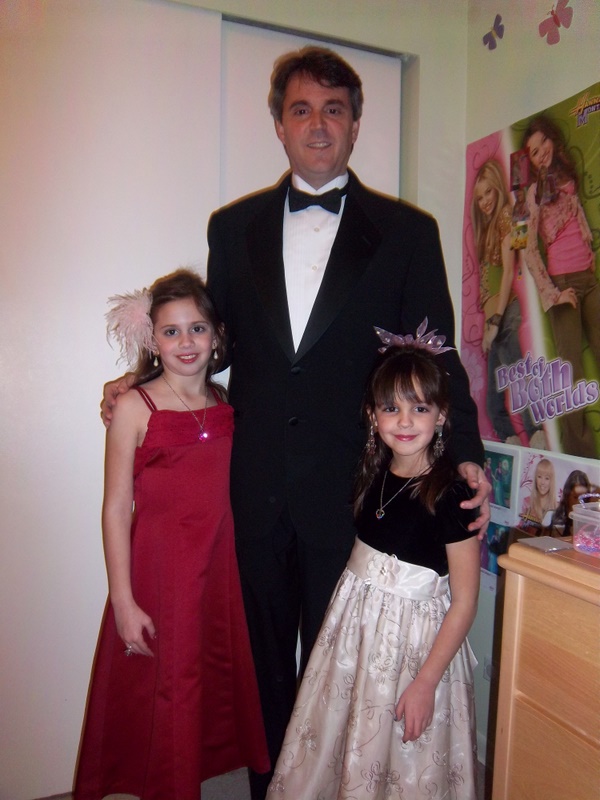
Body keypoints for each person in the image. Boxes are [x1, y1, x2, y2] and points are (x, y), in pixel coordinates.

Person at [103, 47, 490, 798]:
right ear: (279, 124)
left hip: (355, 490)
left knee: (341, 666)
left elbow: (438, 354)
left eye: (334, 110)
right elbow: (213, 344)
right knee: (261, 664)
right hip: (249, 488)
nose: (318, 125)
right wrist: (142, 380)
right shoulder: (232, 227)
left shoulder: (408, 232)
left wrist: (466, 451)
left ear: (355, 125)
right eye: (302, 109)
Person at [75, 270, 269, 800]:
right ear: (152, 340)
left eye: (197, 328)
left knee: (207, 679)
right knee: (169, 684)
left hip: (219, 570)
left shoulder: (226, 403)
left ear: (217, 335)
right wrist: (123, 600)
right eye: (171, 331)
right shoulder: (134, 406)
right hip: (163, 572)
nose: (186, 342)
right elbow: (117, 507)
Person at [267, 324, 480, 799]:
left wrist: (425, 683)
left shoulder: (452, 494)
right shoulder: (372, 474)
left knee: (402, 758)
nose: (404, 421)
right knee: (345, 739)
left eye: (419, 408)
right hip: (356, 636)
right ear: (372, 415)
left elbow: (465, 603)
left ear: (442, 415)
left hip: (415, 649)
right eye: (391, 408)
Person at [522, 115, 600, 458]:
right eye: (534, 151)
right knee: (572, 375)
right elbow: (529, 250)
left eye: (544, 143)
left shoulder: (567, 176)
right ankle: (583, 458)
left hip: (589, 280)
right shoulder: (534, 193)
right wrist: (554, 295)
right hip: (563, 286)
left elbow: (577, 224)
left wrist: (590, 260)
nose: (542, 153)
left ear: (553, 139)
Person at [471, 159, 546, 448]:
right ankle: (512, 442)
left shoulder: (505, 215)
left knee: (516, 374)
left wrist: (495, 321)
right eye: (479, 197)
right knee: (493, 401)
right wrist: (489, 323)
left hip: (503, 313)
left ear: (498, 189)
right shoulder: (489, 227)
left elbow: (507, 274)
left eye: (488, 192)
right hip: (495, 316)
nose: (484, 202)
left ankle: (535, 430)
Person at [551, 469, 593, 537]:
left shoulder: (590, 520)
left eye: (583, 498)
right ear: (567, 495)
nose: (579, 503)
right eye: (575, 497)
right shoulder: (557, 518)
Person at [518, 457, 557, 530]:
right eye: (539, 477)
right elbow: (520, 529)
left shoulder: (557, 507)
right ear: (535, 478)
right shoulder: (527, 502)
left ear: (551, 481)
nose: (542, 482)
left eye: (547, 478)